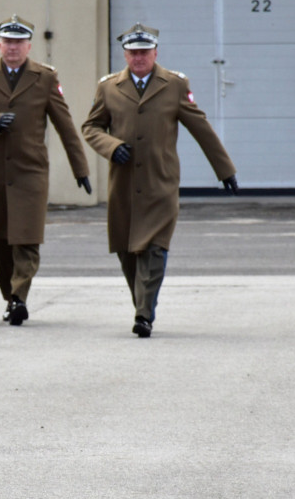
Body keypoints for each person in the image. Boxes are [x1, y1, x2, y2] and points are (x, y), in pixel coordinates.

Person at [81, 23, 238, 338]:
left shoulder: (175, 85)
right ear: (124, 54)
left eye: (144, 52)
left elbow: (200, 127)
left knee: (153, 248)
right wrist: (112, 148)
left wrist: (225, 170)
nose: (139, 58)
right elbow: (91, 128)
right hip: (123, 183)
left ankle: (143, 314)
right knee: (127, 251)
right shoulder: (109, 87)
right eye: (133, 52)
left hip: (160, 182)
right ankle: (143, 304)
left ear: (155, 52)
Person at [0, 14, 92, 326]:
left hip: (31, 171)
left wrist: (80, 169)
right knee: (0, 240)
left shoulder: (45, 78)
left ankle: (19, 297)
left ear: (29, 45)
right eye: (8, 42)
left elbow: (65, 126)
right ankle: (11, 298)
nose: (13, 47)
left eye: (19, 42)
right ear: (0, 45)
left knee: (27, 238)